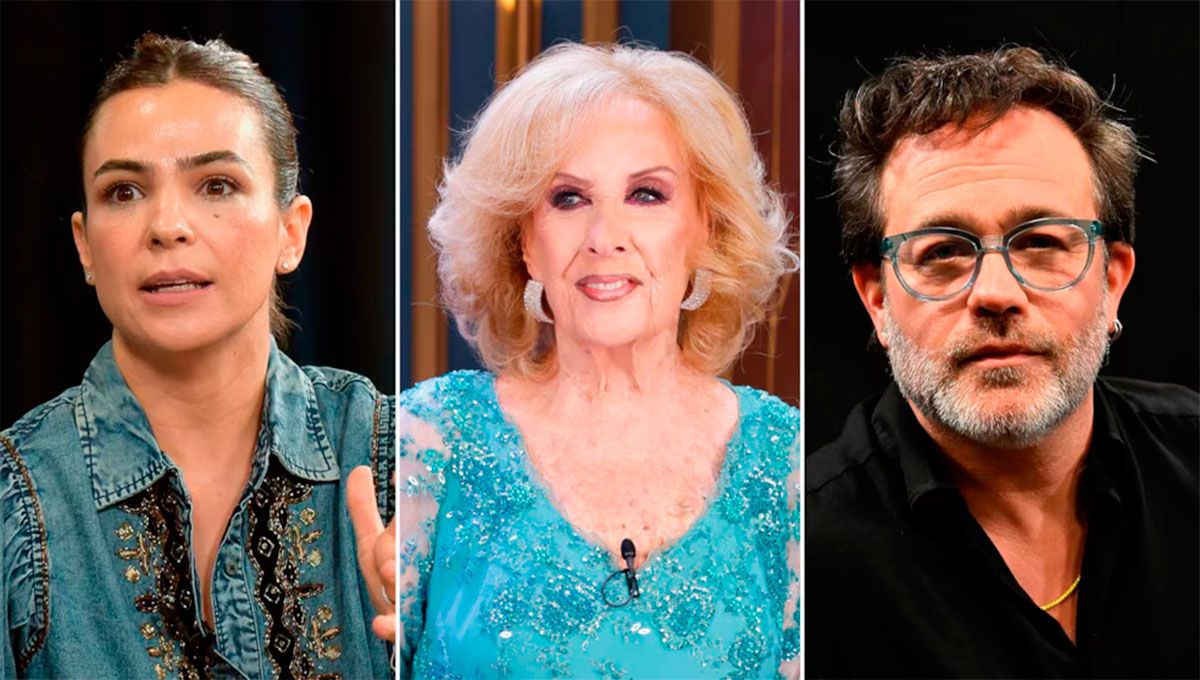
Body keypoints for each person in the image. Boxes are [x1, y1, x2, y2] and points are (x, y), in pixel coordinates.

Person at [0, 34, 396, 679]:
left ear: (291, 231)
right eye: (124, 192)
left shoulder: (397, 456)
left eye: (216, 185)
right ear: (85, 246)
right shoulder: (15, 500)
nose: (167, 226)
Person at [400, 43, 800, 678]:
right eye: (568, 198)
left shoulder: (788, 460)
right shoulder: (428, 437)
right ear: (524, 241)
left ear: (705, 228)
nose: (604, 238)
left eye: (646, 194)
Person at [807, 46, 1199, 678]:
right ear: (877, 299)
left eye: (1041, 241)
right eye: (942, 252)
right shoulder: (795, 563)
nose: (996, 293)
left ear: (1112, 282)